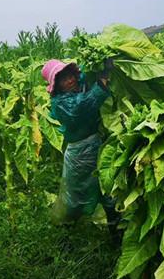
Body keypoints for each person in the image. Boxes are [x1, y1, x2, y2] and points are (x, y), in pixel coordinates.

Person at [41, 59, 120, 235]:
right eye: (63, 80)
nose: (69, 81)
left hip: (97, 145)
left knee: (107, 187)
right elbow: (85, 105)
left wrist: (101, 65)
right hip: (80, 154)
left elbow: (87, 78)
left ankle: (116, 227)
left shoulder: (79, 84)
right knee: (75, 196)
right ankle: (63, 227)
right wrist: (103, 79)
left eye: (70, 76)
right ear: (57, 86)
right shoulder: (61, 103)